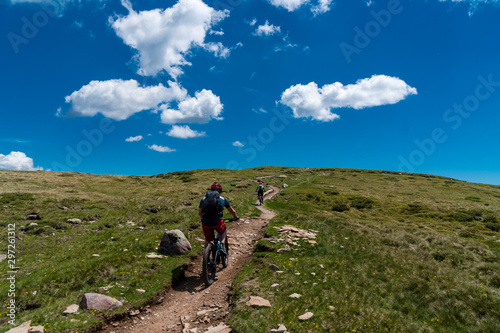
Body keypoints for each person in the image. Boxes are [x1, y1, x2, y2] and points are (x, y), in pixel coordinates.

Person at [199, 182, 238, 253]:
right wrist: (235, 217)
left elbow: (200, 212)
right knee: (223, 231)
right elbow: (232, 211)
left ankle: (206, 255)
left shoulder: (204, 199)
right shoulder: (222, 199)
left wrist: (203, 219)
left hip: (205, 222)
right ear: (220, 191)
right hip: (217, 221)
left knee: (208, 239)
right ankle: (222, 246)